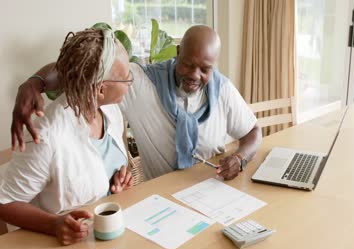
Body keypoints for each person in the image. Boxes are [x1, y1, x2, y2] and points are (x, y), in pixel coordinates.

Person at [11, 25, 262, 181]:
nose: (195, 75)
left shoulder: (223, 90)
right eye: (188, 64)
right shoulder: (138, 83)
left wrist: (240, 158)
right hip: (161, 200)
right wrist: (34, 83)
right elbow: (80, 69)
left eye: (205, 69)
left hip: (212, 189)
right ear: (177, 54)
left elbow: (253, 132)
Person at [0, 28, 134, 245]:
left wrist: (118, 181)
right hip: (67, 246)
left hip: (110, 235)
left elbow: (102, 167)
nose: (130, 82)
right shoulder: (47, 136)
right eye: (127, 77)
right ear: (101, 89)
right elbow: (5, 203)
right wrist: (53, 224)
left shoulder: (111, 111)